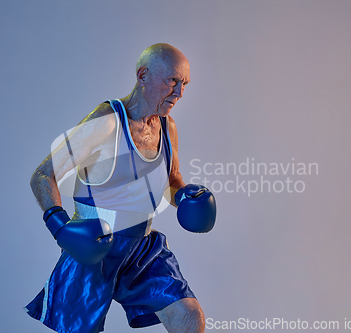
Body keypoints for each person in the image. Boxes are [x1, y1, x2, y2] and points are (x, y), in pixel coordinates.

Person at [24, 43, 216, 333]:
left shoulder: (167, 127)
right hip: (94, 245)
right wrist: (61, 228)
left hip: (142, 247)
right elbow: (43, 174)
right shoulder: (106, 122)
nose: (179, 93)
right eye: (172, 81)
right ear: (142, 76)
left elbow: (171, 179)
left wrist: (185, 196)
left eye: (185, 84)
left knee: (190, 315)